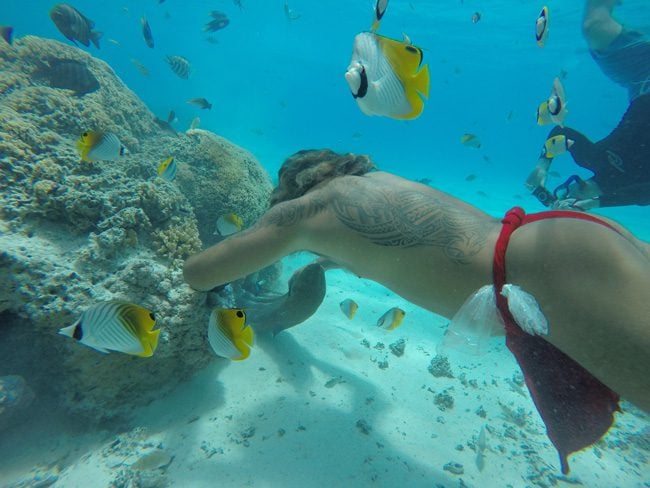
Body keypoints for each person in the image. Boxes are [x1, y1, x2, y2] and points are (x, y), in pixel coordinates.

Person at [184, 149, 650, 473]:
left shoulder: (302, 213)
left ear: (291, 186)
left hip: (549, 274)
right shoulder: (373, 183)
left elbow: (200, 273)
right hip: (566, 237)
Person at [527, 0, 650, 210]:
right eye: (569, 197)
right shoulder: (629, 188)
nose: (568, 192)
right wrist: (595, 203)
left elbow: (562, 134)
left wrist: (542, 165)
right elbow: (644, 194)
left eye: (564, 192)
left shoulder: (594, 161)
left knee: (594, 27)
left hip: (641, 82)